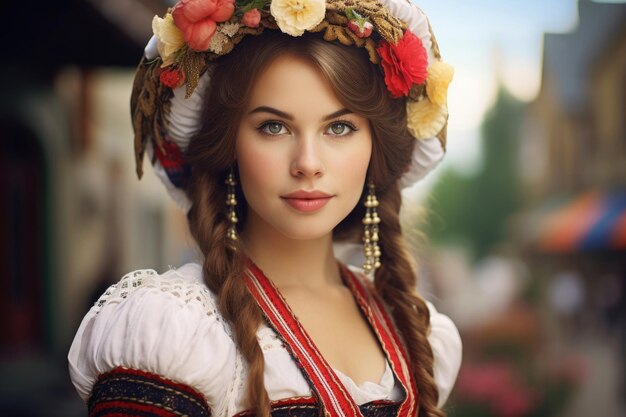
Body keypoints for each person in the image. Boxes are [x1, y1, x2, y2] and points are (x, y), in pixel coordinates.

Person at [68, 0, 461, 416]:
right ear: (230, 145)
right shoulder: (174, 332)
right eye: (273, 127)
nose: (308, 163)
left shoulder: (419, 335)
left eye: (339, 127)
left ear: (374, 149)